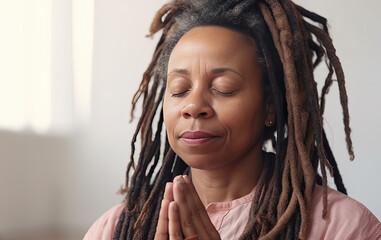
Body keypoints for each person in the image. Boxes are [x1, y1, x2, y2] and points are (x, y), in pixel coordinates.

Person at [84, 0, 381, 239]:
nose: (194, 106)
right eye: (179, 90)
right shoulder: (115, 229)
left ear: (270, 106)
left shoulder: (344, 228)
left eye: (223, 88)